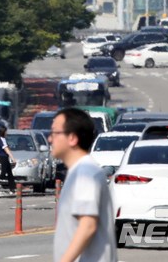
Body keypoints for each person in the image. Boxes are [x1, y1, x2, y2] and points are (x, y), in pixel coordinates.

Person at [49, 108, 117, 262]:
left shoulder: (85, 173)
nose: (50, 139)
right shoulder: (79, 172)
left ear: (72, 138)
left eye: (55, 132)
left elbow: (88, 225)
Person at [0, 126, 16, 194]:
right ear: (3, 132)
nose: (7, 133)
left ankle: (12, 188)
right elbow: (6, 149)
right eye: (6, 131)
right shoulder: (1, 139)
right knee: (3, 174)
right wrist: (13, 158)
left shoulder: (2, 139)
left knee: (10, 174)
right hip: (3, 157)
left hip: (5, 157)